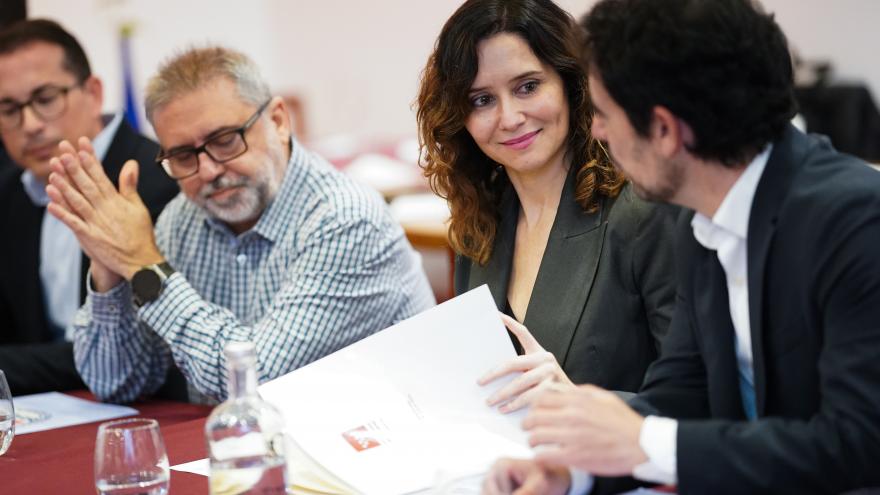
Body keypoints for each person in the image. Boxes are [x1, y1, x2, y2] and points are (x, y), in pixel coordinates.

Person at [483, 0, 880, 494]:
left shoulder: (855, 220)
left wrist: (644, 441)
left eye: (604, 114)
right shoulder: (702, 214)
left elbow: (859, 443)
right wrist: (573, 468)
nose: (596, 130)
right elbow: (682, 395)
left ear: (666, 130)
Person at [45, 46, 435, 403]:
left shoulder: (345, 219)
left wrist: (144, 265)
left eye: (226, 140)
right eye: (184, 155)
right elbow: (116, 383)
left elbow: (254, 385)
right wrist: (109, 267)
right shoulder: (183, 218)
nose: (210, 170)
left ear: (279, 121)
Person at [416, 0, 677, 413]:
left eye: (527, 87)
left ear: (573, 85)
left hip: (619, 469)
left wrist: (577, 403)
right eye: (482, 99)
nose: (510, 117)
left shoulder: (643, 213)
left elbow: (703, 406)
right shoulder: (479, 224)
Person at [0, 19, 179, 395]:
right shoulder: (9, 194)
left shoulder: (156, 180)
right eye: (9, 109)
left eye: (46, 99)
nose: (29, 124)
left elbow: (146, 351)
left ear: (94, 92)